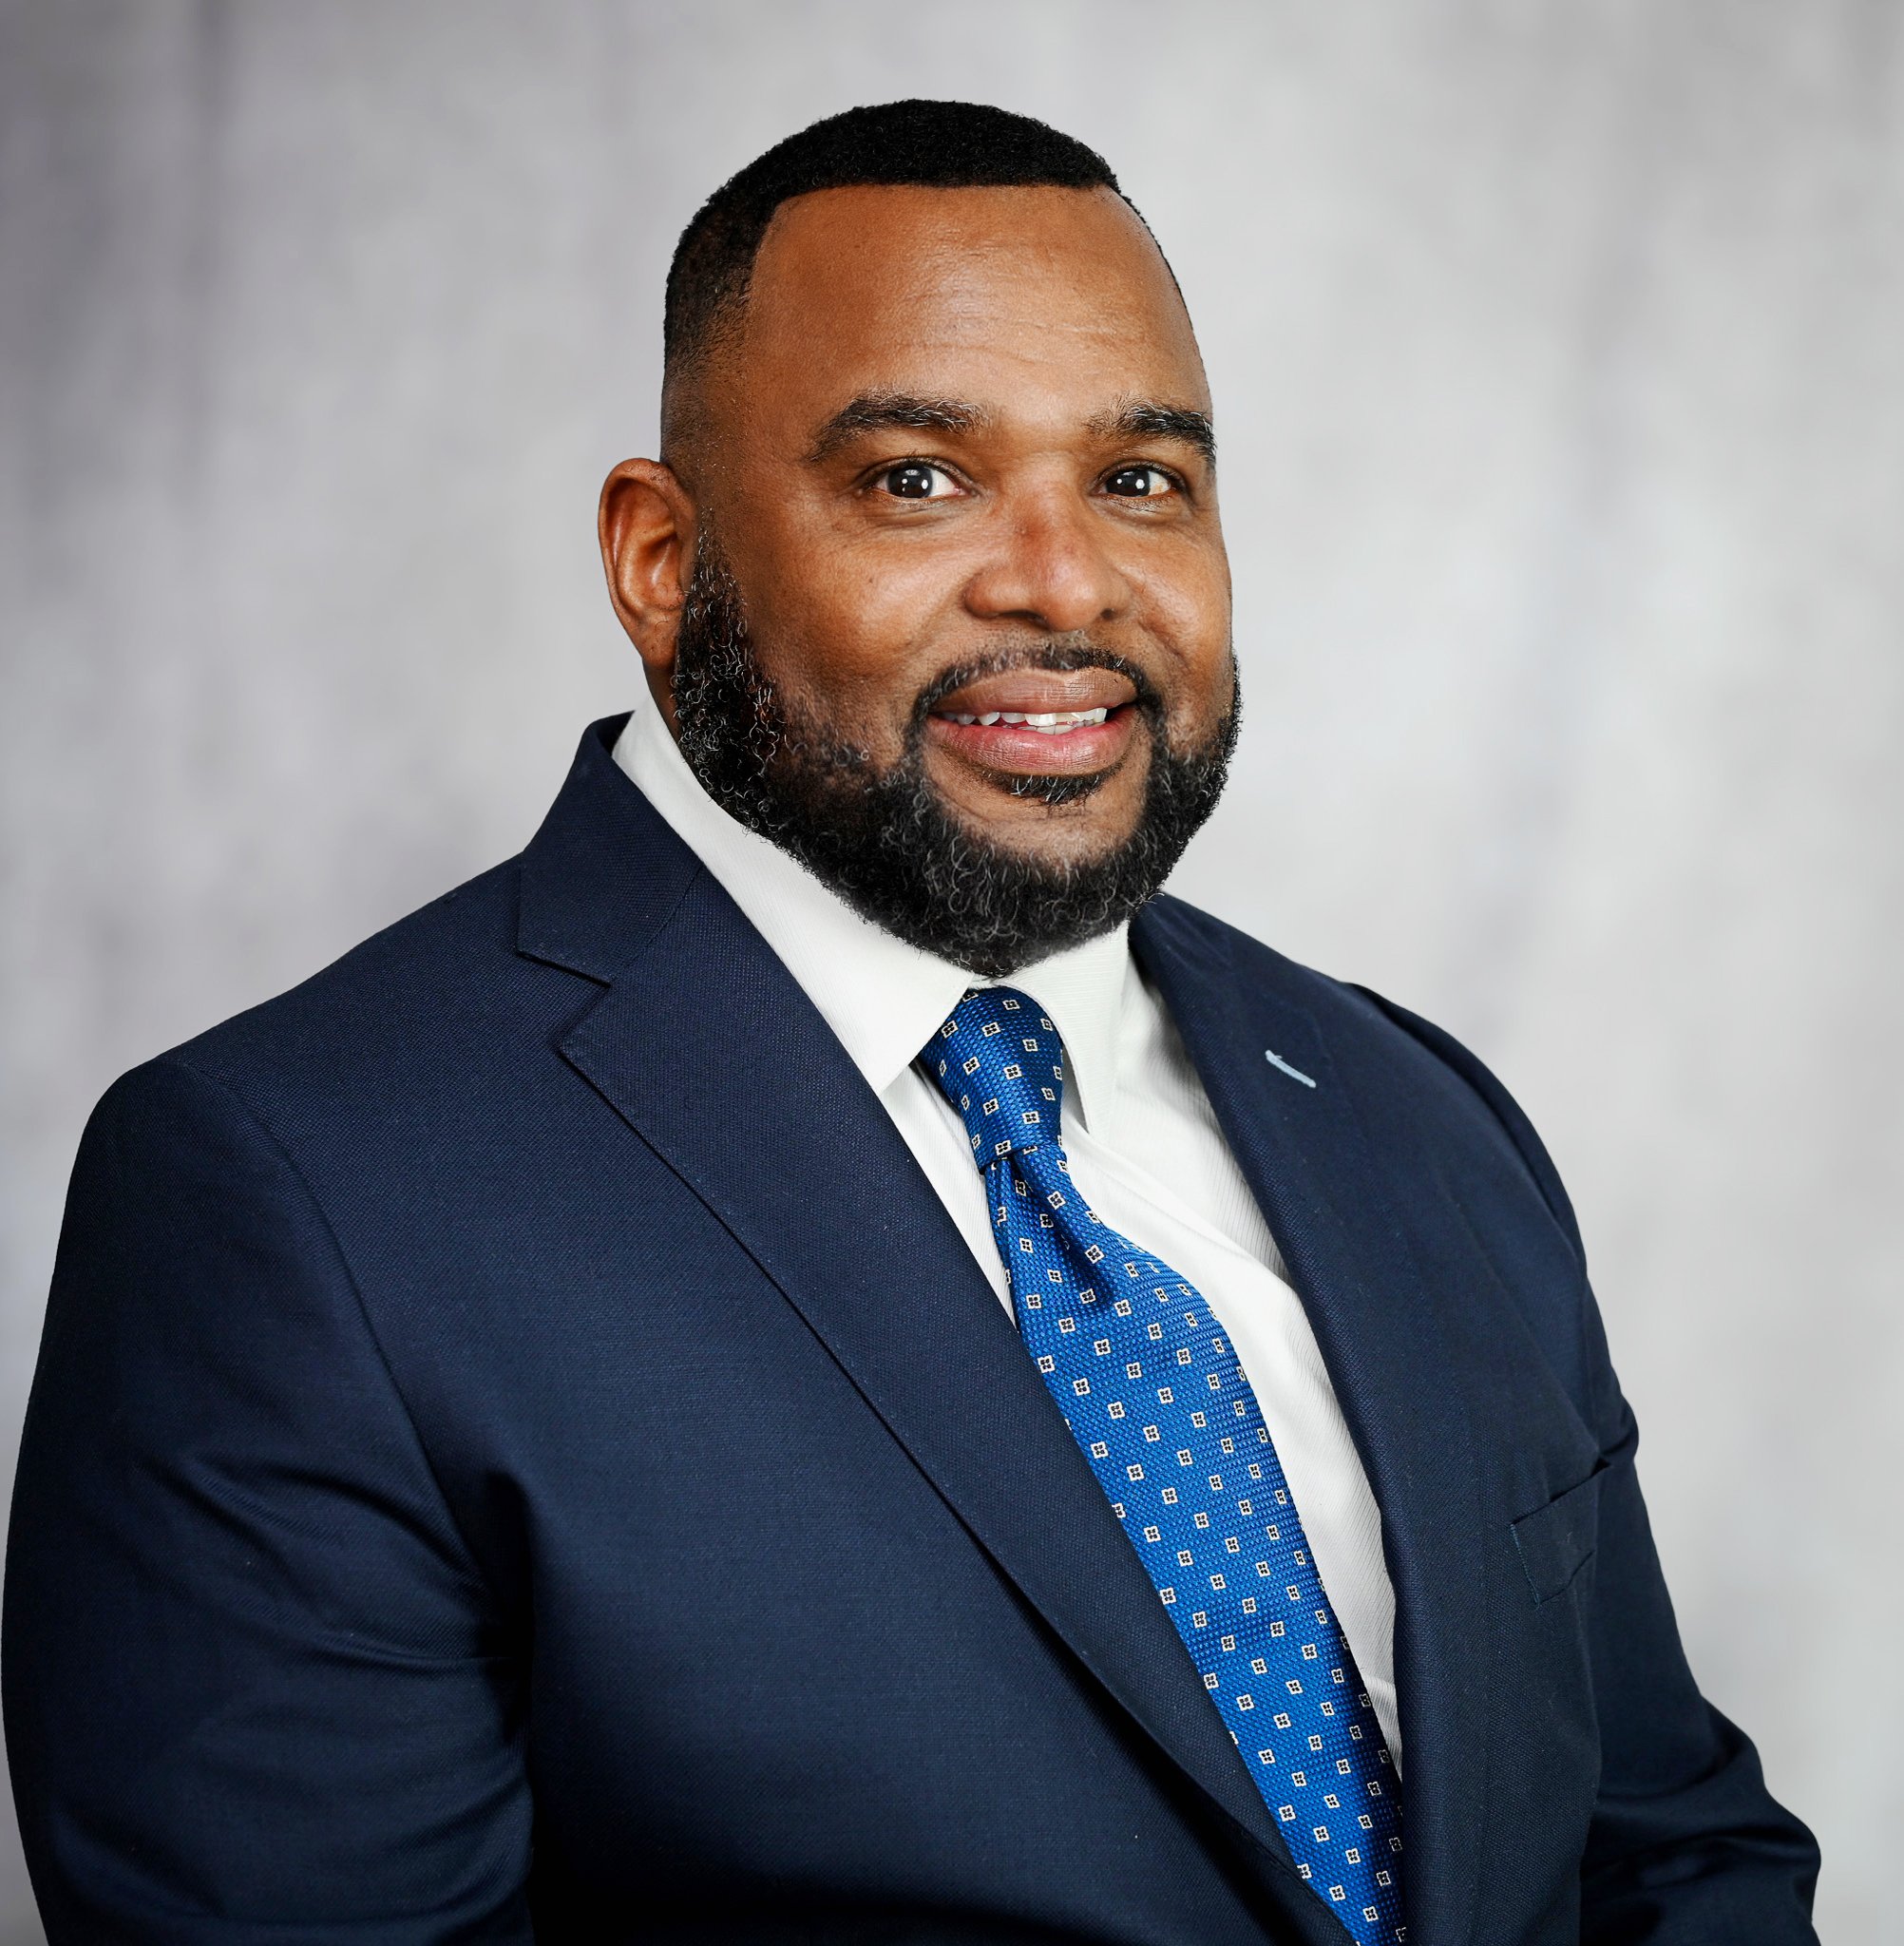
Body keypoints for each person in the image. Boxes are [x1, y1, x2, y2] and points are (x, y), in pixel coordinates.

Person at [2, 99, 1818, 1945]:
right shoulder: (296, 1196)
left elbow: (1666, 1850)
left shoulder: (1410, 1110)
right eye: (918, 480)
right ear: (658, 559)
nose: (1066, 578)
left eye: (1140, 480)